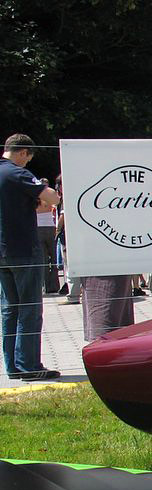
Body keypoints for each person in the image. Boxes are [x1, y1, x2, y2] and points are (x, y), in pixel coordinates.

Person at [0, 134, 62, 380]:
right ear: (23, 153)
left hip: (2, 252)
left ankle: (12, 366)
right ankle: (29, 366)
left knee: (9, 309)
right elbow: (52, 198)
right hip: (23, 250)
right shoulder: (18, 173)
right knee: (29, 309)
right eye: (27, 159)